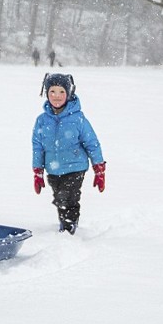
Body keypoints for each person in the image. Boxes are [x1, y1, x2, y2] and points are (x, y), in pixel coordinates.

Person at [31, 73, 105, 235]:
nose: (56, 96)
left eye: (61, 92)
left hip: (75, 167)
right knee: (59, 198)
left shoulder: (78, 119)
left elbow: (92, 143)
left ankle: (68, 228)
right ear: (46, 93)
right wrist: (38, 171)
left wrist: (99, 169)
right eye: (52, 92)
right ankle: (66, 222)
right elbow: (37, 146)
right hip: (53, 168)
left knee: (68, 197)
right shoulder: (42, 121)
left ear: (69, 93)